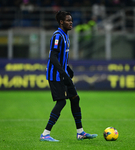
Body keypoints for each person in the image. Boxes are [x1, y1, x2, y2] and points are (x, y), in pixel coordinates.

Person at [40, 11, 98, 142]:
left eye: (71, 20)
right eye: (68, 20)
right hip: (55, 75)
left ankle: (80, 133)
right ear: (61, 22)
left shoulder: (66, 36)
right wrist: (62, 72)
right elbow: (53, 57)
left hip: (62, 73)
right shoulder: (57, 36)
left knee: (75, 98)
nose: (71, 22)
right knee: (61, 101)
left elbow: (62, 58)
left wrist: (68, 69)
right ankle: (45, 134)